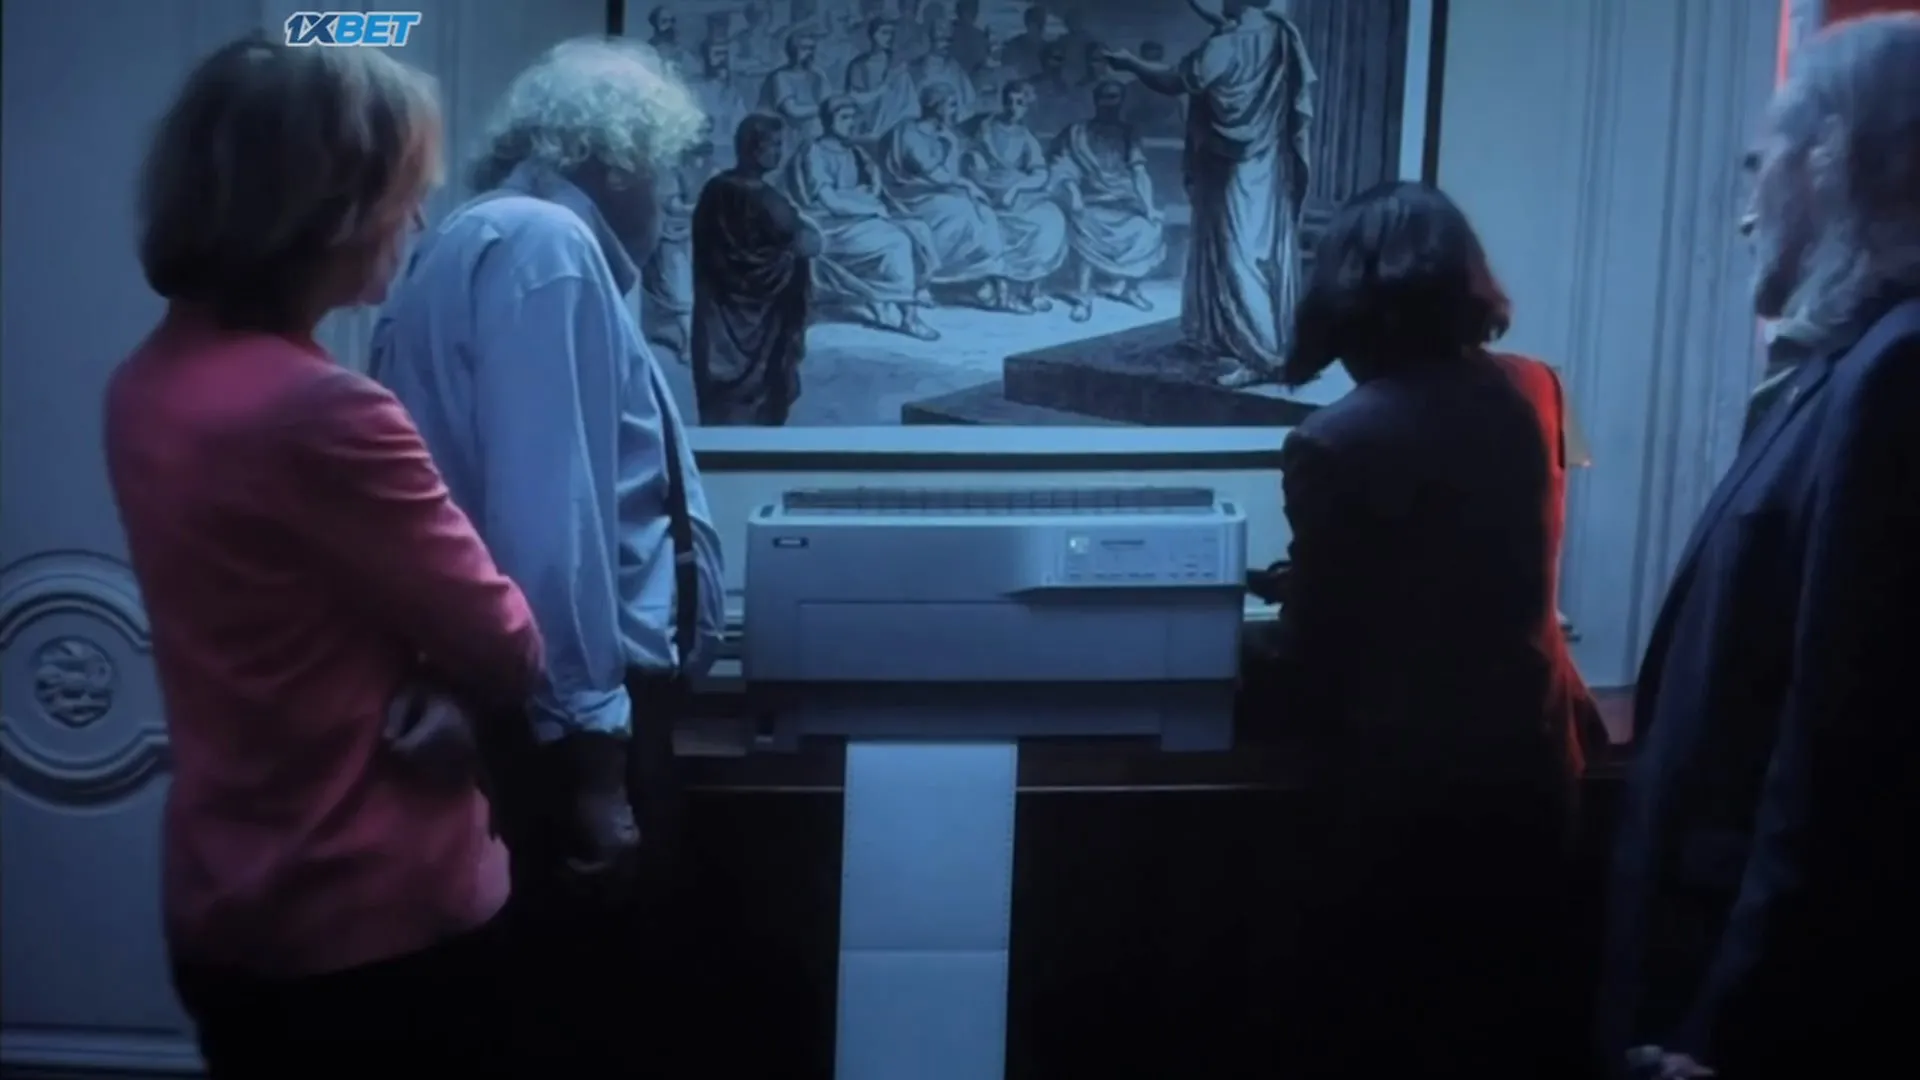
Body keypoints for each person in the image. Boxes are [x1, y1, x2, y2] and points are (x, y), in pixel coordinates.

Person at [105, 35, 545, 1074]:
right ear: (331, 209)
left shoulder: (147, 380)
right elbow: (509, 643)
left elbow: (286, 619)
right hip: (373, 918)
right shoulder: (324, 410)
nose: (418, 222)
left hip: (224, 898)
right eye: (406, 193)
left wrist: (427, 672)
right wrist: (451, 680)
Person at [369, 37, 728, 1075]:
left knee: (538, 1011)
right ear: (616, 161)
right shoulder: (547, 247)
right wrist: (597, 769)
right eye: (664, 170)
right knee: (593, 1012)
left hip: (518, 707)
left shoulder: (475, 241)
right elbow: (553, 524)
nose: (668, 199)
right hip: (566, 723)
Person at [1597, 16, 1920, 1080]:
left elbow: (1846, 748)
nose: (1744, 211)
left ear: (1836, 158)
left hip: (1754, 1009)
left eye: (1758, 164)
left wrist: (1726, 1029)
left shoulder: (1898, 373)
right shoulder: (1847, 367)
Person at [1260, 182, 1587, 1080]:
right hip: (1534, 766)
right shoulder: (1541, 386)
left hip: (1404, 794)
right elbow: (1494, 531)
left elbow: (1319, 646)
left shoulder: (1332, 439)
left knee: (1393, 1028)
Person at [1102, 0, 1315, 389]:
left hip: (1232, 165)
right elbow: (1231, 21)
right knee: (1259, 250)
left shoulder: (1223, 46)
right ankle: (1222, 336)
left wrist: (1131, 63)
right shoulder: (1278, 32)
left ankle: (1262, 356)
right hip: (1267, 162)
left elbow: (1174, 80)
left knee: (1238, 255)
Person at [691, 113, 817, 426]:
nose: (779, 152)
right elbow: (801, 243)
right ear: (751, 147)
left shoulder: (714, 190)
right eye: (773, 145)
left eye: (780, 145)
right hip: (734, 317)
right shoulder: (761, 199)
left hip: (724, 321)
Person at [784, 96, 940, 339]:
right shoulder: (814, 151)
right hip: (830, 225)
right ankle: (908, 317)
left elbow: (872, 190)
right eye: (844, 118)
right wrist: (867, 207)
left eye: (853, 118)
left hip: (858, 217)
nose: (851, 123)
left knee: (918, 229)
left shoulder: (854, 152)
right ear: (828, 121)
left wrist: (871, 186)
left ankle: (916, 289)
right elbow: (829, 201)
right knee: (896, 241)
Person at [1052, 79, 1168, 320]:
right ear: (1096, 101)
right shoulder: (1077, 132)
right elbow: (1062, 167)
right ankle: (1083, 296)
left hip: (1124, 199)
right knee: (1084, 225)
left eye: (1115, 97)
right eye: (1105, 97)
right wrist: (1074, 195)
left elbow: (1139, 171)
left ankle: (1130, 290)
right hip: (1089, 200)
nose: (1110, 103)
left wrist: (1149, 207)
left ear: (1121, 101)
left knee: (1147, 229)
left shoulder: (1128, 133)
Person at [960, 80, 1069, 311]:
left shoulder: (1025, 136)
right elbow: (970, 160)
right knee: (993, 222)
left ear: (1026, 107)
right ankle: (999, 288)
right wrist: (984, 178)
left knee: (1051, 218)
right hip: (986, 191)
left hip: (1017, 192)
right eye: (1009, 102)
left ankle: (1032, 289)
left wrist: (1016, 189)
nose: (1013, 108)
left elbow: (1040, 172)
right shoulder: (984, 129)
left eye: (1019, 103)